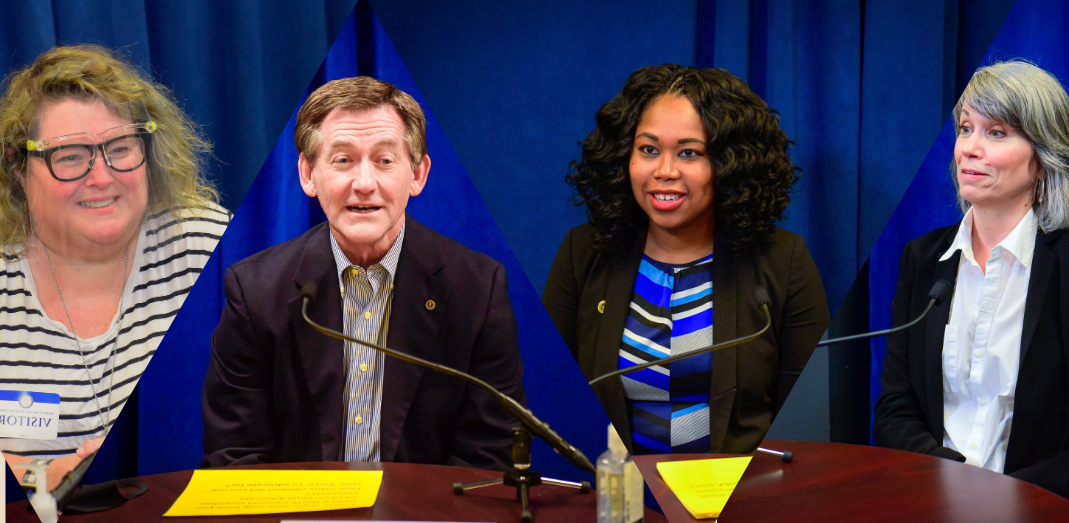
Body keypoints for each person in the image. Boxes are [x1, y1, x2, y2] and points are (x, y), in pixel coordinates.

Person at [201, 76, 525, 470]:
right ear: (308, 174)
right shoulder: (254, 291)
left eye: (385, 161)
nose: (364, 184)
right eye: (343, 160)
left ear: (417, 175)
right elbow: (235, 455)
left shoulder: (477, 288)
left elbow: (488, 457)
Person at [543, 64, 830, 455]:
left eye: (689, 153)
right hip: (618, 497)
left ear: (729, 164)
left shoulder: (785, 261)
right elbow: (552, 396)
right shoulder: (582, 253)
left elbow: (805, 422)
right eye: (648, 149)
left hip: (738, 499)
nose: (664, 171)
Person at [0, 45, 228, 491]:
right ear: (18, 169)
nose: (102, 177)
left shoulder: (212, 249)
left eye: (120, 148)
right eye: (70, 156)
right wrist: (37, 479)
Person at [874, 60, 1069, 498]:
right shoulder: (923, 258)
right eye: (965, 128)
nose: (969, 149)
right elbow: (895, 409)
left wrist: (1005, 498)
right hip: (934, 497)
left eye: (996, 133)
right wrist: (946, 480)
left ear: (1042, 158)